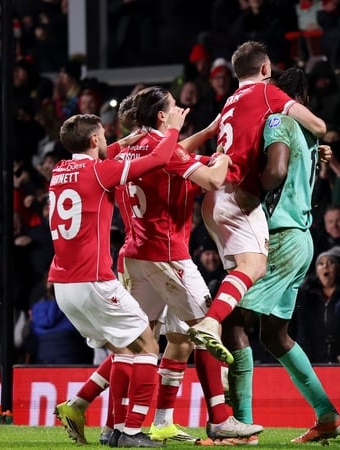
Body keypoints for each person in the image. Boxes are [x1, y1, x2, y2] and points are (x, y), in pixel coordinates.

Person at [109, 86, 263, 443]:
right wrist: (224, 153)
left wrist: (206, 135)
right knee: (207, 327)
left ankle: (119, 425)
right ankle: (221, 419)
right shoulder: (167, 150)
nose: (180, 109)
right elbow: (212, 179)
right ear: (162, 116)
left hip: (134, 256)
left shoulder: (130, 148)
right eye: (174, 107)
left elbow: (170, 153)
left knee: (140, 342)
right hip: (167, 256)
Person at [221, 68, 340, 444]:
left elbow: (276, 170)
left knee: (232, 324)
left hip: (277, 237)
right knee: (275, 337)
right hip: (301, 239)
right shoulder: (307, 134)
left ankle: (241, 426)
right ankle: (327, 415)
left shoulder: (276, 120)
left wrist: (249, 194)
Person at [50, 111, 187, 448]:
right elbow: (157, 159)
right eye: (104, 134)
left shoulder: (59, 172)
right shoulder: (100, 171)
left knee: (123, 348)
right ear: (95, 139)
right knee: (148, 344)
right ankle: (132, 430)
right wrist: (173, 130)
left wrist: (121, 144)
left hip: (63, 287)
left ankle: (112, 428)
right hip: (94, 280)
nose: (109, 138)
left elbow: (97, 167)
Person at [189, 41, 327, 361]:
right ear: (265, 70)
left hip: (212, 197)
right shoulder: (268, 94)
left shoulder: (228, 102)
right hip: (239, 196)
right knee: (251, 276)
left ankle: (220, 373)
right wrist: (314, 141)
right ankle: (211, 325)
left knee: (235, 283)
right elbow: (318, 125)